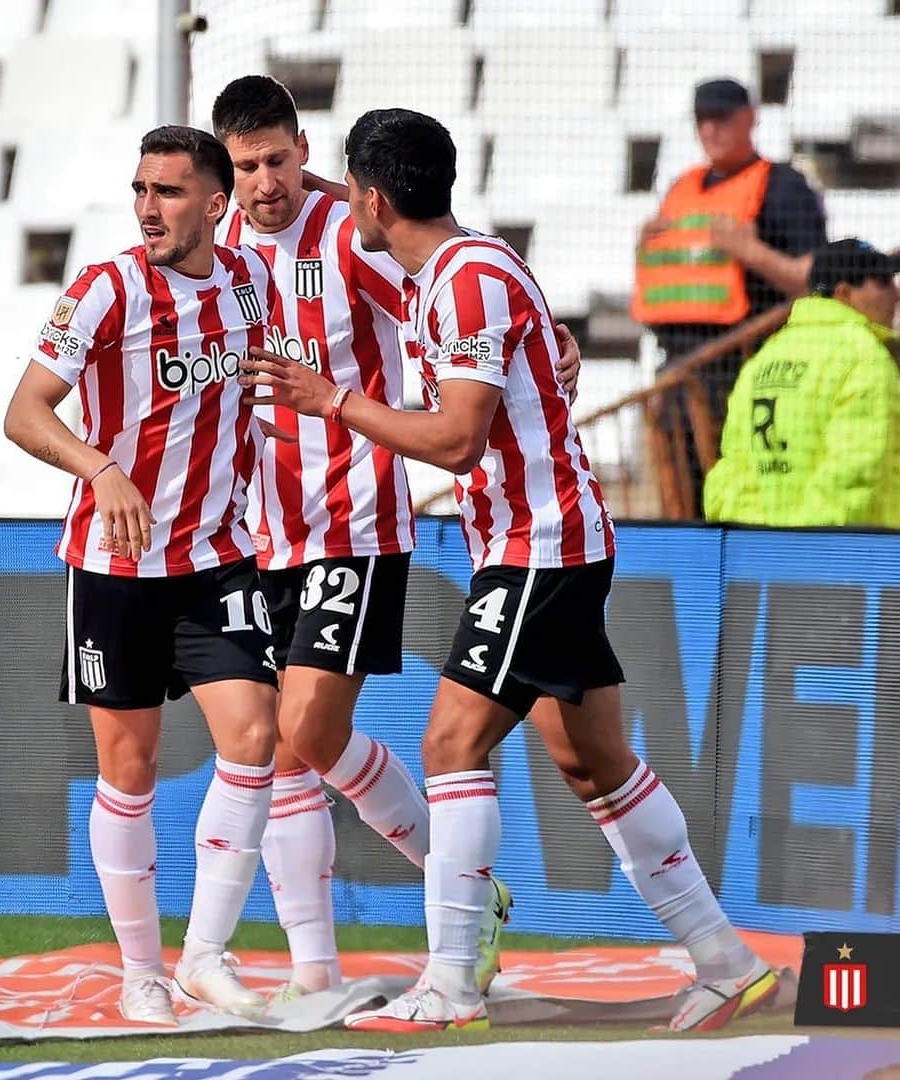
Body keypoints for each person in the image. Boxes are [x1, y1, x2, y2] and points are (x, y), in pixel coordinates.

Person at [242, 107, 778, 1034]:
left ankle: (449, 983)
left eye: (346, 190)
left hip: (540, 544)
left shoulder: (465, 281)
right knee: (590, 759)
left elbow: (455, 441)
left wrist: (333, 399)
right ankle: (725, 961)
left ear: (372, 200)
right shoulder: (460, 265)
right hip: (543, 540)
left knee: (453, 744)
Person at [210, 75, 581, 1002]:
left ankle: (457, 893)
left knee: (302, 728)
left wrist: (549, 339)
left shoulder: (349, 234)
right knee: (289, 750)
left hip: (352, 514)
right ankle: (316, 970)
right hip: (262, 527)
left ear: (305, 150)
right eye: (247, 166)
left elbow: (459, 292)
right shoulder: (212, 251)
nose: (266, 184)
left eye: (279, 161)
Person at [4, 125, 283, 1027]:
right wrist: (100, 466)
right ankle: (141, 972)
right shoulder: (107, 287)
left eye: (168, 192)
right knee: (130, 768)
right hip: (116, 561)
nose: (149, 209)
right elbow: (23, 413)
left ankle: (203, 954)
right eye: (140, 190)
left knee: (254, 736)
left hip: (213, 554)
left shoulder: (251, 282)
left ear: (215, 203)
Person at [632, 77, 827, 510]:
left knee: (742, 503)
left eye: (722, 118)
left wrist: (750, 252)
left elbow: (817, 281)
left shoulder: (783, 186)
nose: (710, 131)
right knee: (684, 508)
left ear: (750, 118)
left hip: (747, 375)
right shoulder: (682, 188)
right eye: (702, 120)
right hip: (678, 378)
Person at [705, 238, 899, 527]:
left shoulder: (764, 357)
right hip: (853, 560)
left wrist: (764, 539)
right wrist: (805, 544)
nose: (895, 294)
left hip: (760, 556)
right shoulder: (865, 357)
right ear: (844, 293)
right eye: (883, 282)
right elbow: (856, 472)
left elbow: (734, 469)